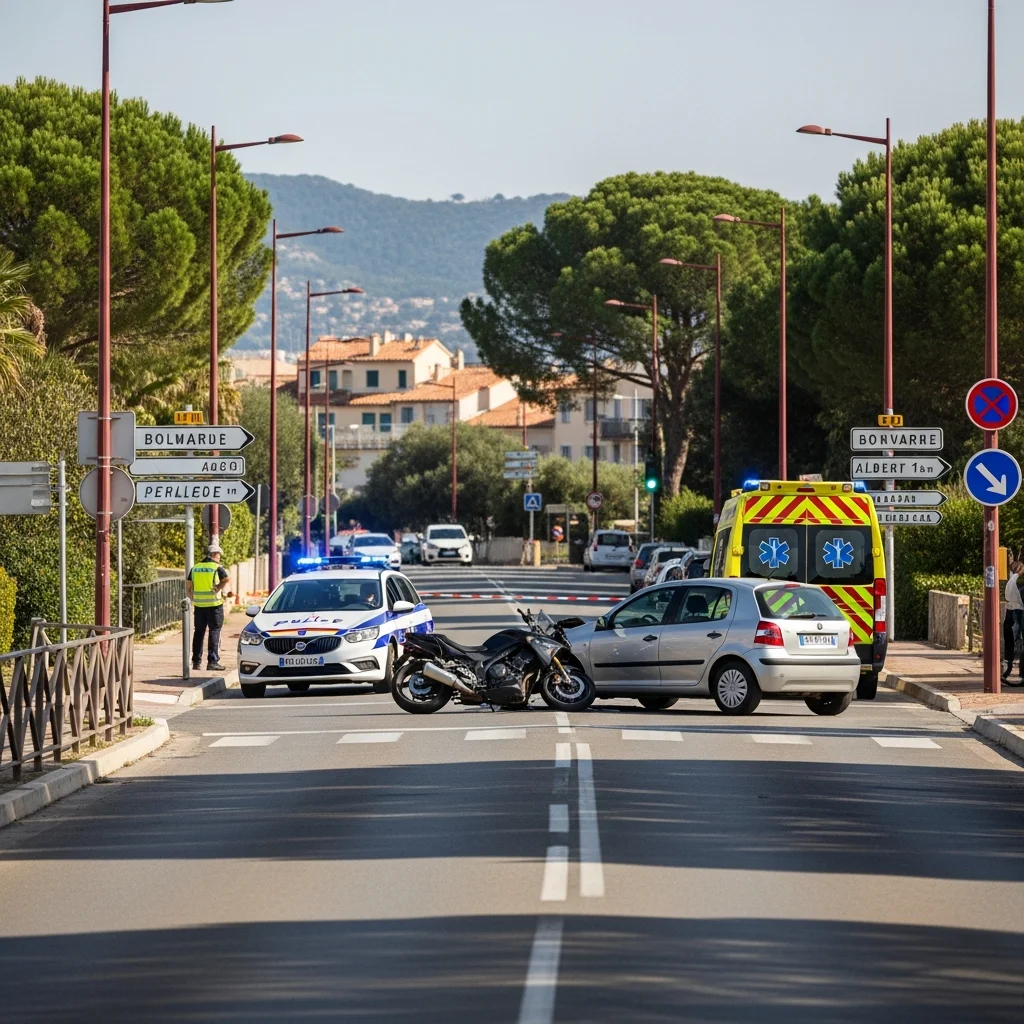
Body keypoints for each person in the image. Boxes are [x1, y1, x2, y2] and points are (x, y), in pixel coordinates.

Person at [186, 543, 232, 672]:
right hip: (214, 605)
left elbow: (188, 585)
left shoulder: (195, 568)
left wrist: (192, 597)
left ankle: (196, 662)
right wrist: (218, 588)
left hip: (199, 606)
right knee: (214, 631)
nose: (219, 558)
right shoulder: (216, 567)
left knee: (198, 633)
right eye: (218, 555)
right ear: (213, 555)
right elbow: (227, 578)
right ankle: (212, 661)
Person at [1003, 560, 1024, 683]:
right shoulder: (1019, 580)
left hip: (1009, 610)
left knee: (1010, 641)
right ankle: (1020, 673)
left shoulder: (1010, 581)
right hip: (1018, 612)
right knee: (1019, 642)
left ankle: (1007, 670)